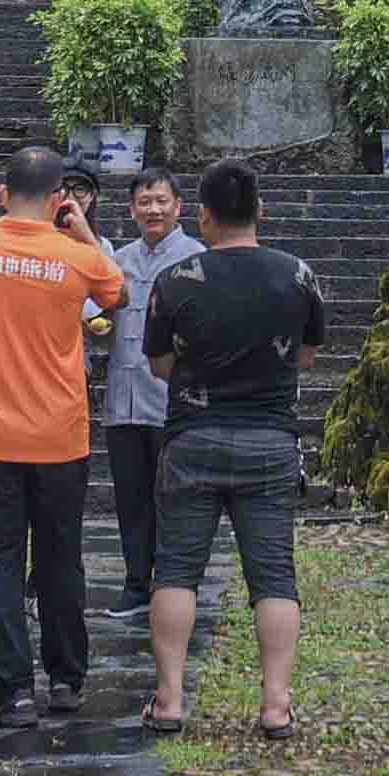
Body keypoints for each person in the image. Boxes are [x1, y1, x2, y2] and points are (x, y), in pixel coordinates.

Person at [0, 144, 126, 722]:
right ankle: (67, 680)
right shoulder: (76, 256)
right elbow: (116, 295)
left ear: (2, 194)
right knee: (60, 557)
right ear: (58, 200)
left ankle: (13, 691)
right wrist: (82, 237)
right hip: (59, 437)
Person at [140, 158, 328, 739]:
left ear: (203, 217)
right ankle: (276, 704)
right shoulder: (298, 275)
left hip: (193, 440)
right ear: (260, 213)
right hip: (271, 443)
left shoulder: (176, 279)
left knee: (175, 572)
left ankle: (169, 700)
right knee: (273, 577)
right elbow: (305, 356)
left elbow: (160, 363)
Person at [94, 166, 202, 618]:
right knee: (130, 497)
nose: (153, 209)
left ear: (179, 206)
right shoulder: (117, 260)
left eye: (161, 201)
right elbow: (99, 319)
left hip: (175, 403)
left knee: (176, 498)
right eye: (144, 202)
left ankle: (174, 586)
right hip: (124, 399)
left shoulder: (197, 258)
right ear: (131, 209)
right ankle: (136, 584)